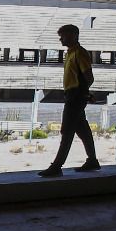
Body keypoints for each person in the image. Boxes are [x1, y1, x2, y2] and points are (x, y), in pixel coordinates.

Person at [40, 24, 100, 177]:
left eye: (63, 35)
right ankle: (92, 160)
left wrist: (82, 93)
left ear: (73, 36)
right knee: (82, 130)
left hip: (75, 97)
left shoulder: (79, 53)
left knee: (67, 131)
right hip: (73, 95)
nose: (60, 38)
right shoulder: (70, 53)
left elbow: (88, 77)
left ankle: (57, 166)